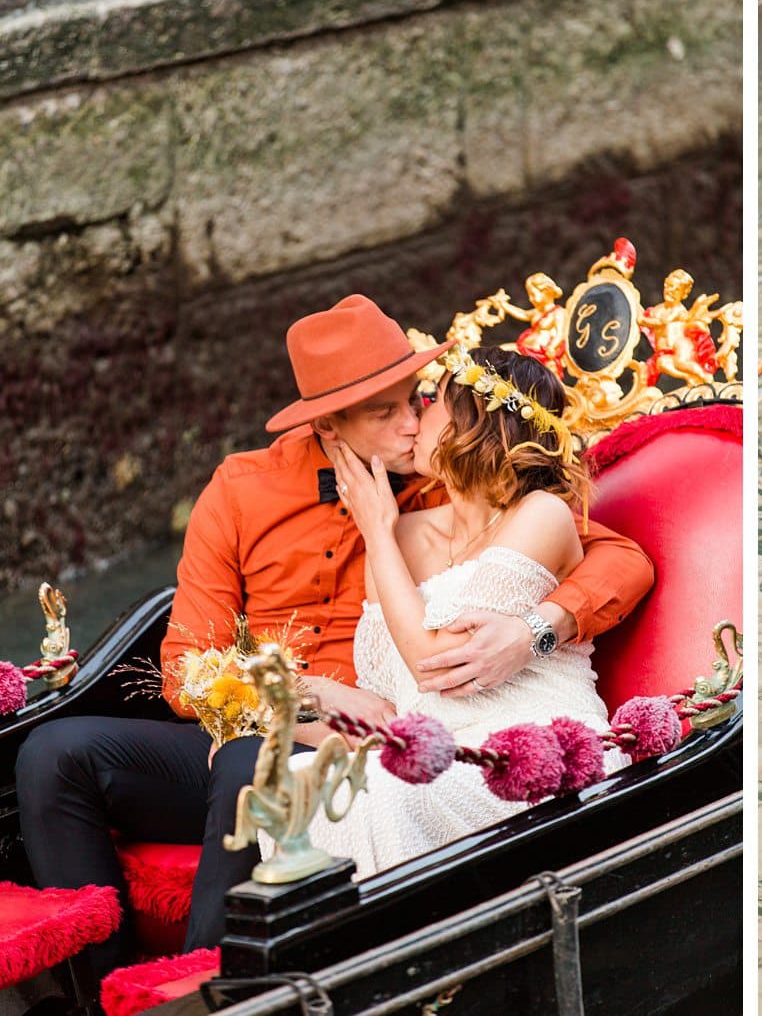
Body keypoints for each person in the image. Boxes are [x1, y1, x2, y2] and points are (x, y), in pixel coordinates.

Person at [15, 295, 653, 974]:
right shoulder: (239, 492)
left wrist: (536, 630)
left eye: (415, 400)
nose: (412, 424)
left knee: (250, 764)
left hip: (373, 739)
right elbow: (184, 667)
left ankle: (209, 985)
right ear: (329, 422)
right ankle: (93, 984)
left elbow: (622, 558)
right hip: (273, 725)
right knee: (56, 752)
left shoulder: (444, 480)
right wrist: (299, 701)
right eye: (387, 413)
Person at [310, 347, 630, 875]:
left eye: (431, 402)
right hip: (435, 759)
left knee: (385, 792)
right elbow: (391, 701)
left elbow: (435, 664)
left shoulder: (542, 515)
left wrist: (374, 531)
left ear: (472, 424)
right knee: (303, 782)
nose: (415, 420)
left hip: (535, 748)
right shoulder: (401, 535)